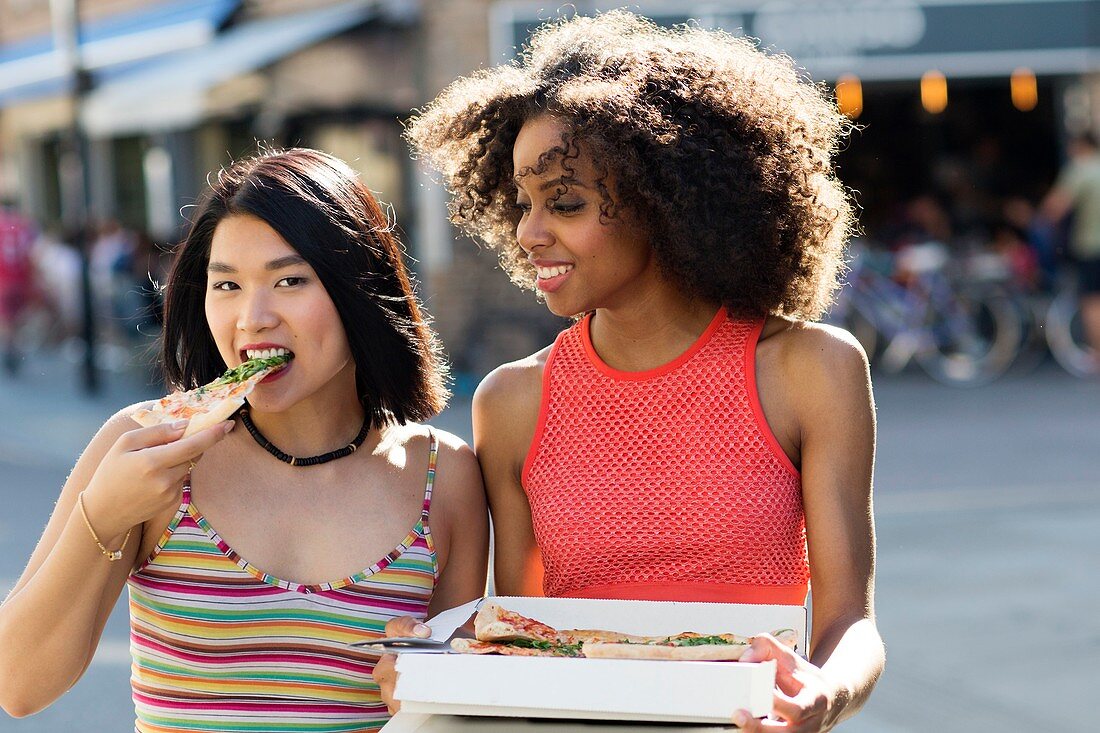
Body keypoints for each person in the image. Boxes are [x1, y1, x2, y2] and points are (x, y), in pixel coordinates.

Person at [376, 11, 884, 731]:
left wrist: (823, 693)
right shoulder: (514, 400)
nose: (528, 232)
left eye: (567, 202)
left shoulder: (811, 367)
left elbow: (851, 621)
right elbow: (522, 636)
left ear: (666, 201)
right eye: (524, 203)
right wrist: (437, 661)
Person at [0, 149, 489, 733]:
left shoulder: (446, 474)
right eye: (226, 284)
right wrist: (102, 516)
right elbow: (19, 687)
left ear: (358, 288)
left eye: (289, 281)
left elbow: (460, 716)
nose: (252, 318)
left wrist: (429, 692)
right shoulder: (149, 447)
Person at [1041, 131, 1100, 371]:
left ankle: (1097, 355)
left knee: (1093, 301)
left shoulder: (1080, 170)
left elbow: (1053, 209)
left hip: (1091, 245)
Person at [0, 203, 38, 374]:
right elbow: (31, 255)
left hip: (4, 281)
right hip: (21, 280)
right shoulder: (23, 227)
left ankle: (10, 349)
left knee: (7, 320)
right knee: (18, 317)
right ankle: (15, 346)